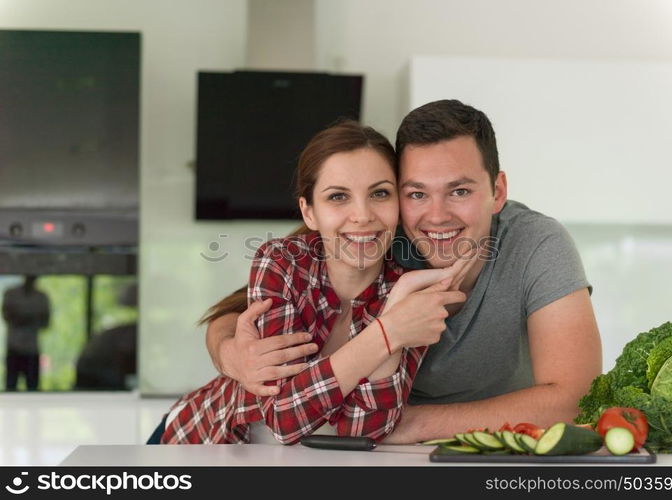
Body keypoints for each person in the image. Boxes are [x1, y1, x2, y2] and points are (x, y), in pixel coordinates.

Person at [205, 100, 603, 444]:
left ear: (498, 191)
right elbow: (237, 314)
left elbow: (574, 399)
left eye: (460, 190)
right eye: (416, 193)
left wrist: (415, 424)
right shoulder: (376, 237)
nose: (437, 215)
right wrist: (230, 353)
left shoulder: (537, 244)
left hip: (462, 451)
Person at [157, 120, 467, 444]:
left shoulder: (407, 291)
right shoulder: (281, 262)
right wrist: (388, 333)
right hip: (196, 439)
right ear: (309, 212)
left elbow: (365, 431)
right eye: (337, 197)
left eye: (379, 193)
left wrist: (400, 302)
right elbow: (282, 418)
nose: (362, 215)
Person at [2, 275, 51, 391]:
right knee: (11, 386)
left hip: (31, 349)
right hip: (14, 346)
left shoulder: (41, 297)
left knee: (32, 387)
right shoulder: (11, 294)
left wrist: (25, 319)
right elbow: (6, 316)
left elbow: (46, 322)